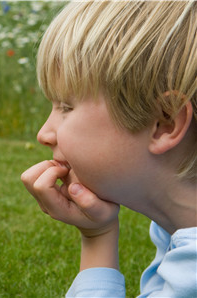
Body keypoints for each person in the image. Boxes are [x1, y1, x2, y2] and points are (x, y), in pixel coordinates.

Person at [21, 1, 196, 297]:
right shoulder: (173, 229)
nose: (44, 134)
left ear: (164, 122)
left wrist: (97, 239)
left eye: (66, 106)